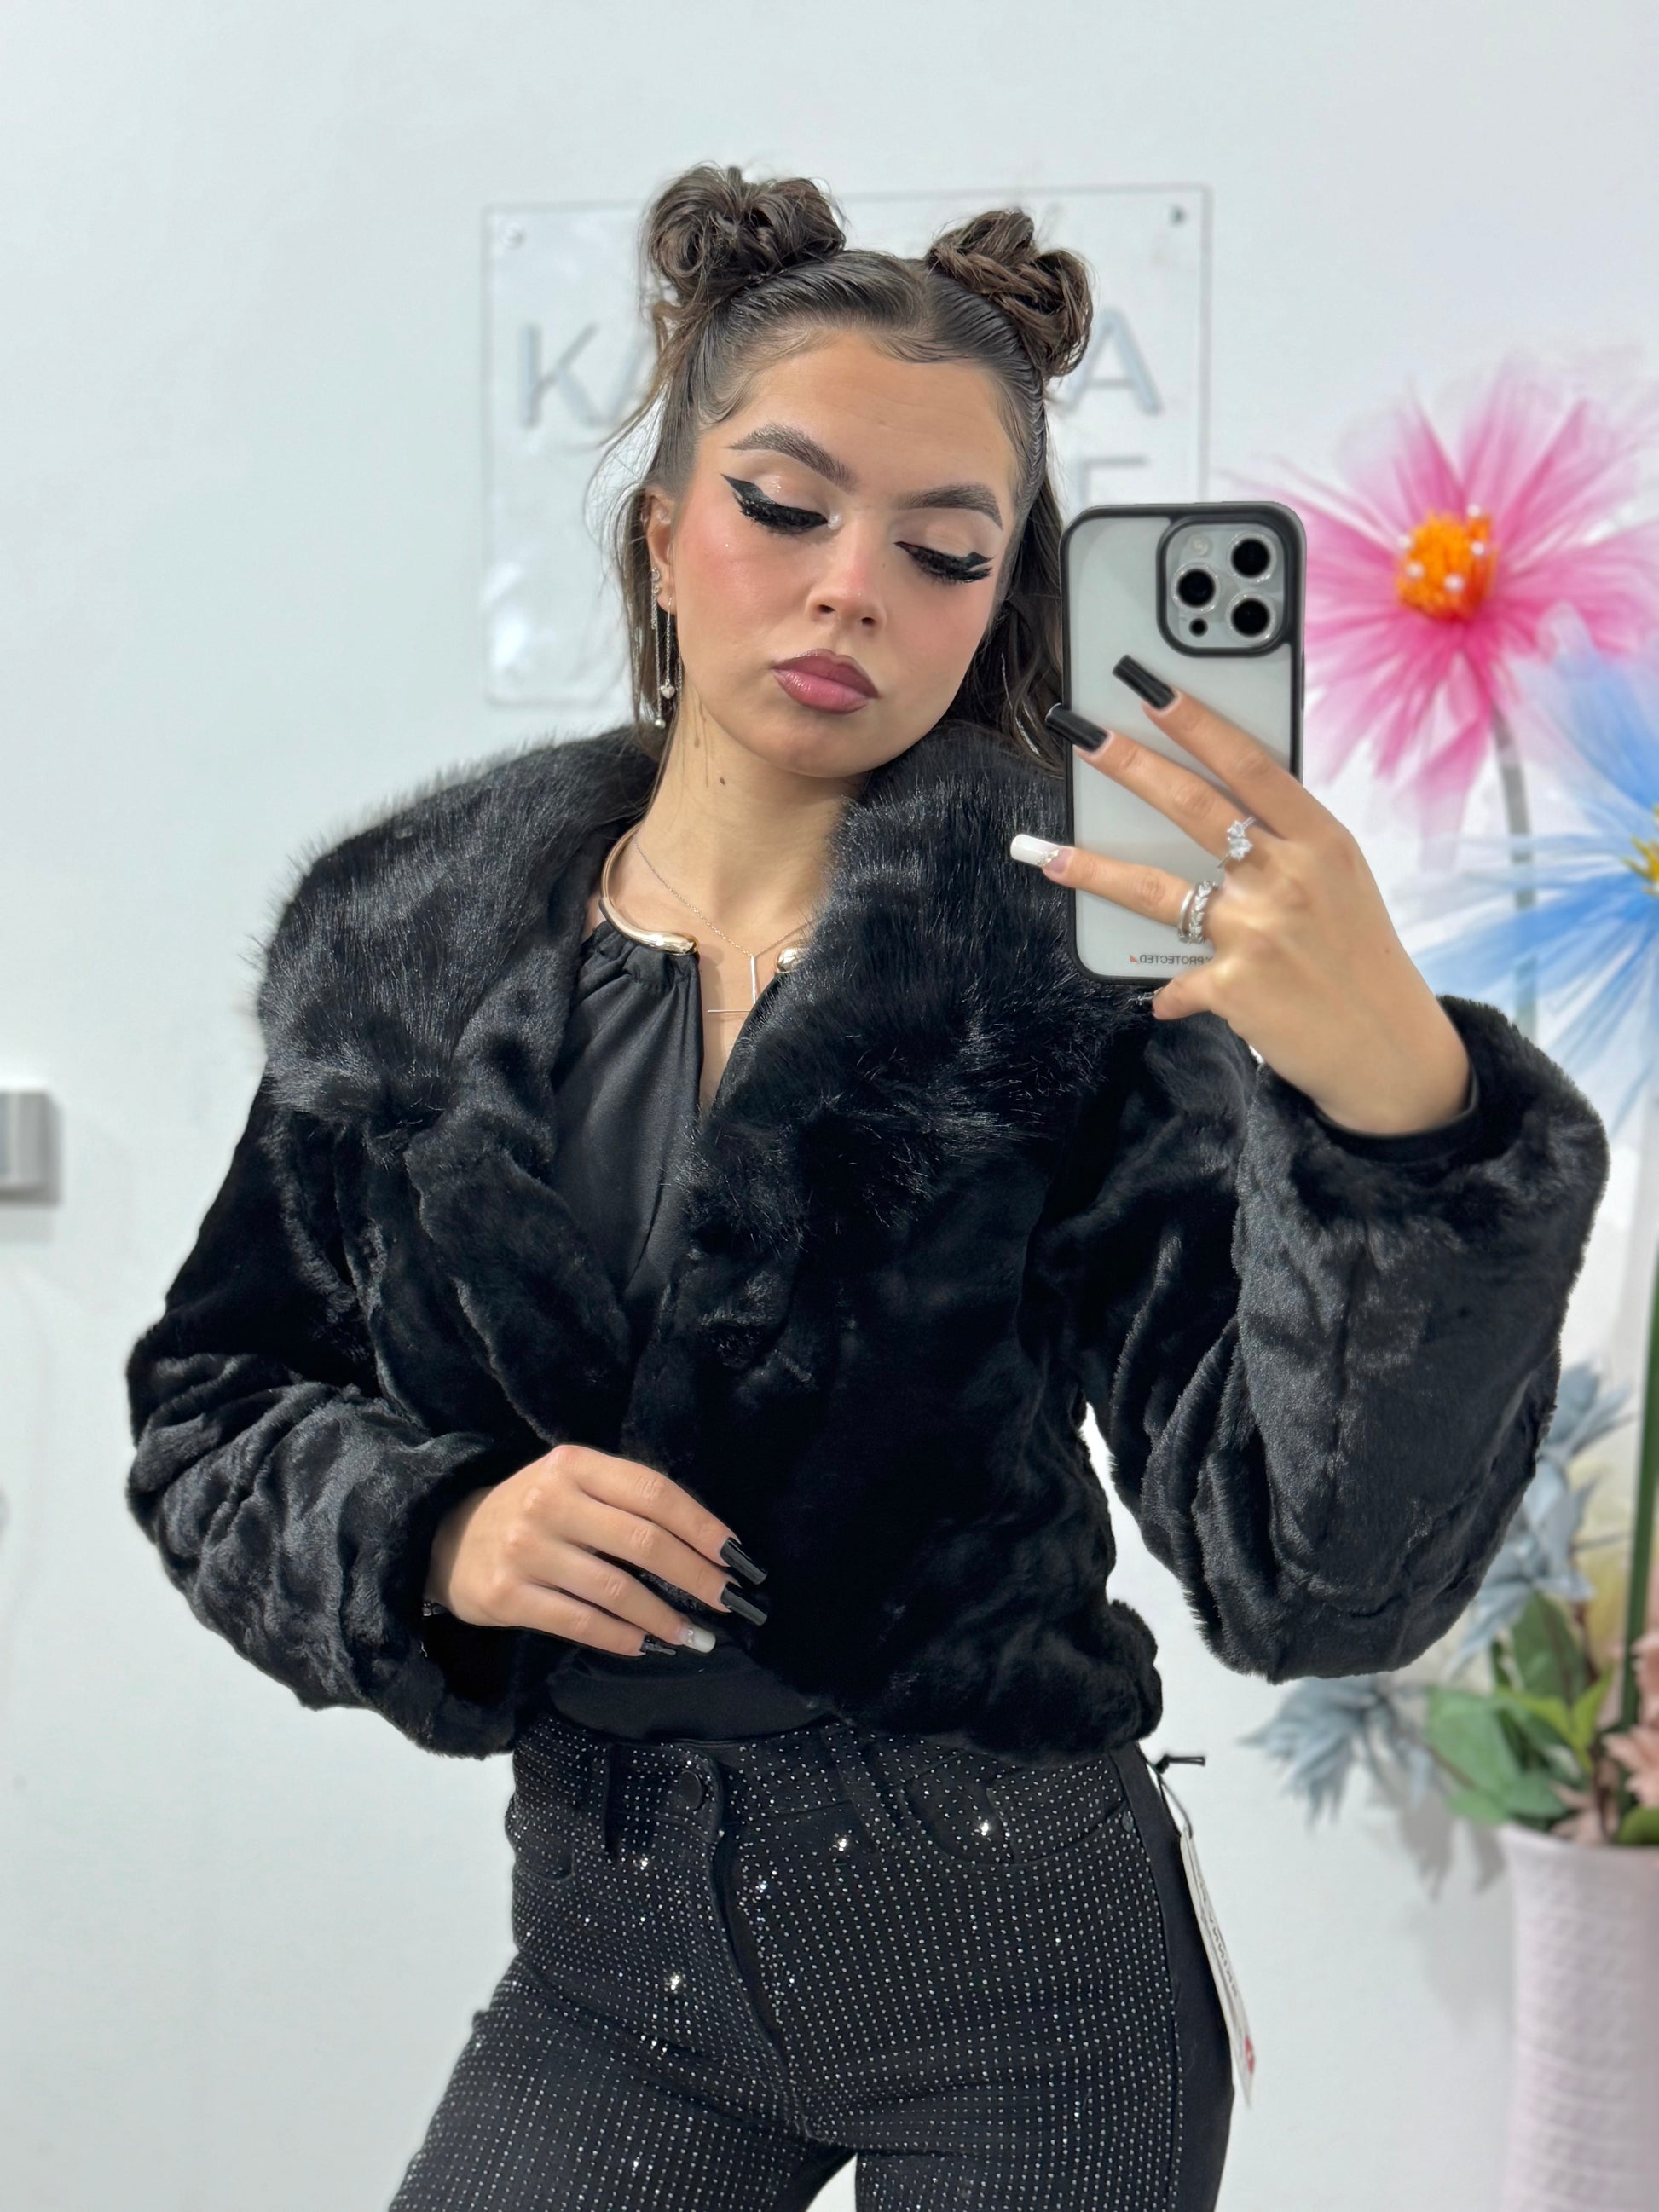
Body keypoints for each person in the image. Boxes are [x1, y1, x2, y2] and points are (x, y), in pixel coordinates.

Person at [124, 163, 1610, 2212]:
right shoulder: (405, 954)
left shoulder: (1063, 979)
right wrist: (437, 1526)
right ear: (664, 532)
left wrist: (1401, 1116)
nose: (852, 590)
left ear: (1000, 604)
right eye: (783, 504)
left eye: (942, 549)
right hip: (611, 1968)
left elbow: (1313, 1568)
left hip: (1029, 1975)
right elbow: (215, 1406)